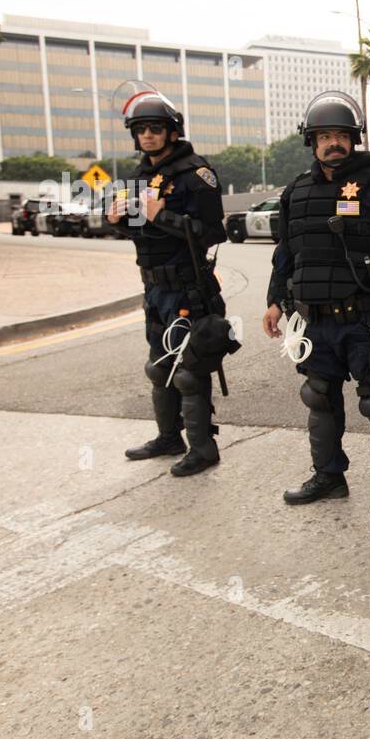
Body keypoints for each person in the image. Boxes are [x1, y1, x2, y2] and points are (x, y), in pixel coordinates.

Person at [263, 91, 370, 520]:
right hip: (314, 321)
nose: (332, 143)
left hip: (366, 319)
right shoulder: (295, 192)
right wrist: (274, 303)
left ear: (354, 139)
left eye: (341, 135)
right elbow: (286, 253)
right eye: (324, 136)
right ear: (311, 142)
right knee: (318, 398)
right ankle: (329, 476)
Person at [107, 83, 231, 477]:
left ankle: (203, 447)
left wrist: (163, 216)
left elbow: (212, 231)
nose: (148, 135)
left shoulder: (196, 173)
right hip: (154, 288)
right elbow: (138, 232)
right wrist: (116, 221)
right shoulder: (138, 177)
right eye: (141, 129)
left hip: (188, 286)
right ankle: (168, 437)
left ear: (172, 131)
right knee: (159, 366)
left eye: (155, 128)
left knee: (189, 370)